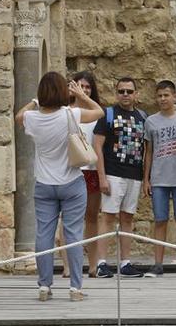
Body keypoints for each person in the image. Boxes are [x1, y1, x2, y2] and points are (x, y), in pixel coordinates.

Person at [15, 71, 104, 302]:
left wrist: (35, 100)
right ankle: (75, 287)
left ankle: (44, 286)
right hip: (72, 182)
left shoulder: (33, 118)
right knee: (73, 234)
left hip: (44, 183)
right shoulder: (70, 115)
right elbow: (99, 112)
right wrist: (80, 95)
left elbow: (19, 116)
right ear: (64, 92)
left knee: (44, 235)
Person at [92, 77, 147, 278]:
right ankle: (102, 262)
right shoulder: (107, 114)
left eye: (129, 91)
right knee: (108, 216)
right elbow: (97, 146)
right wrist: (102, 177)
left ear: (136, 94)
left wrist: (145, 178)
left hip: (134, 174)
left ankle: (125, 262)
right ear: (116, 93)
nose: (125, 95)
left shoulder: (142, 117)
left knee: (127, 217)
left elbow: (145, 148)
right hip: (113, 173)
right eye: (122, 91)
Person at [141, 80, 176, 277]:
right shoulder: (151, 121)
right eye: (160, 95)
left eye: (166, 95)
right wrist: (146, 179)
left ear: (174, 96)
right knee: (160, 220)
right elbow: (149, 151)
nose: (163, 99)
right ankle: (158, 263)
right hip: (159, 178)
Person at [71, 71, 104, 278]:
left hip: (91, 171)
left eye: (88, 87)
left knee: (92, 217)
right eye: (80, 87)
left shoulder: (97, 113)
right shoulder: (66, 111)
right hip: (73, 170)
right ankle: (68, 266)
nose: (84, 91)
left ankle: (92, 265)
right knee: (69, 219)